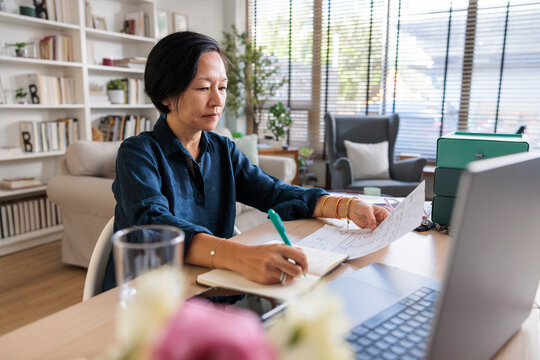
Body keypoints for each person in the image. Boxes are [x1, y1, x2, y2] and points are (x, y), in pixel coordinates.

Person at [102, 31, 388, 292]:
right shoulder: (138, 153)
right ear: (166, 95)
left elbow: (273, 193)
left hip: (212, 286)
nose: (217, 101)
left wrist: (345, 206)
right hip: (147, 297)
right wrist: (242, 256)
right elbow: (154, 227)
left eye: (222, 88)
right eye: (203, 88)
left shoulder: (222, 149)